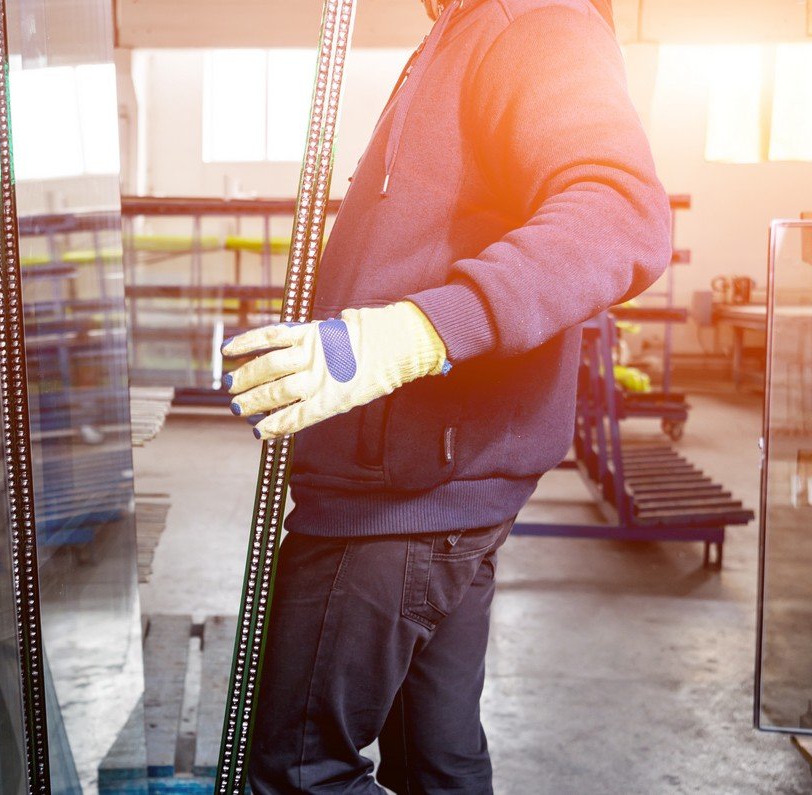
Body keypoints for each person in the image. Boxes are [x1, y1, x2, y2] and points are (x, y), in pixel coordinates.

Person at [222, 0, 671, 792]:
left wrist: (408, 336)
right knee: (439, 762)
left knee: (299, 774)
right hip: (437, 482)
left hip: (399, 496)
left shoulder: (533, 21)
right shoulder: (463, 29)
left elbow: (621, 212)